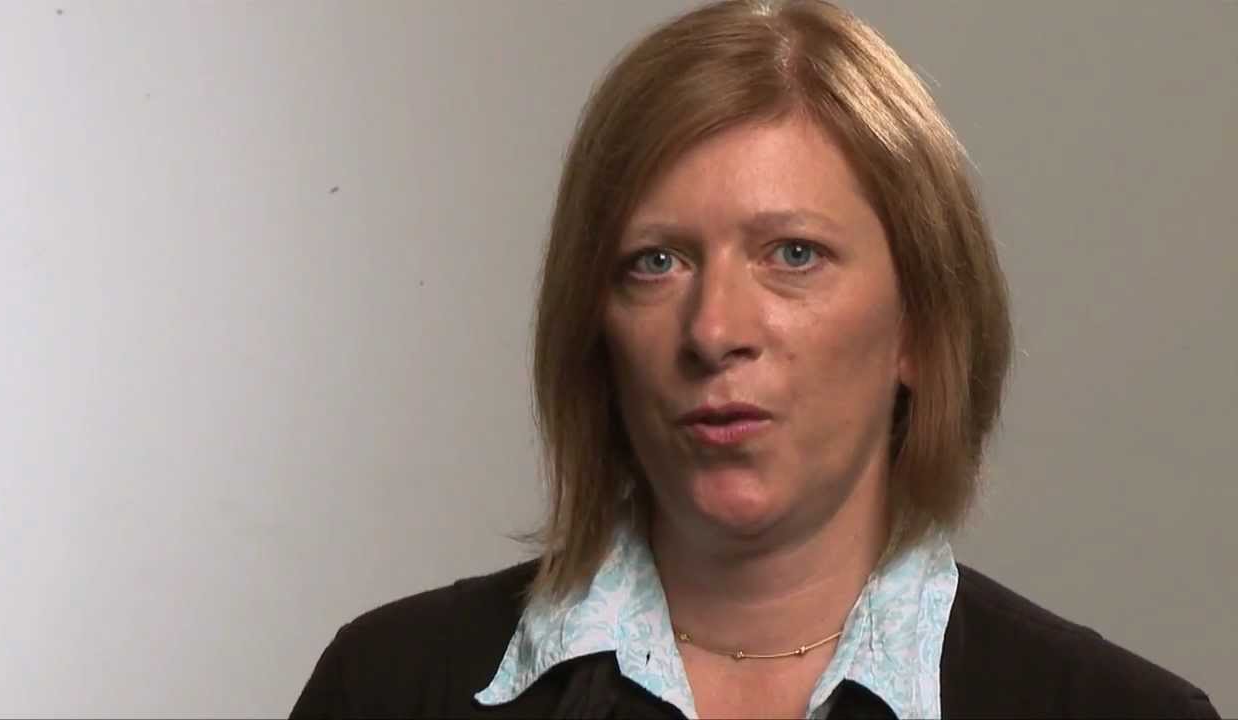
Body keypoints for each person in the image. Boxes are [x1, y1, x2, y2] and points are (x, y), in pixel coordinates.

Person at [290, 1, 1219, 717]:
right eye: (656, 262)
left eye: (793, 255)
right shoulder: (390, 687)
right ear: (594, 331)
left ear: (921, 329)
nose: (714, 330)